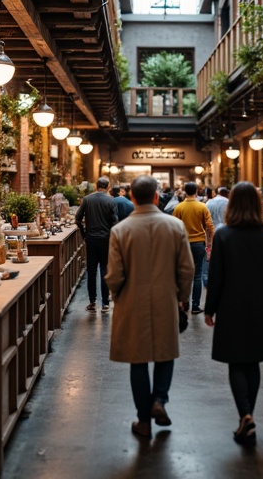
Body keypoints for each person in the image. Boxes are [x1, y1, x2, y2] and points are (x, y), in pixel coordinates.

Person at [107, 175, 194, 439]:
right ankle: (159, 400)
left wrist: (117, 295)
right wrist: (182, 297)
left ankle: (143, 420)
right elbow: (187, 269)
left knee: (138, 360)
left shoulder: (120, 231)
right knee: (165, 354)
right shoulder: (175, 226)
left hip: (132, 303)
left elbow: (114, 276)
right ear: (157, 196)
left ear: (132, 197)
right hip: (166, 299)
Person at [204, 182, 263, 446]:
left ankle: (245, 415)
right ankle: (248, 414)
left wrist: (210, 308)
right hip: (260, 304)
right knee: (254, 361)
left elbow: (216, 276)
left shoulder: (224, 235)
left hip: (231, 305)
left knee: (236, 361)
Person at [76, 175, 117, 312]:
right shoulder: (110, 201)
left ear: (96, 186)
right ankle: (105, 304)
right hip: (105, 239)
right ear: (108, 187)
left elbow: (77, 218)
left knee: (91, 271)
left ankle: (92, 301)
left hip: (91, 239)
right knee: (105, 270)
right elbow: (114, 222)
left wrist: (84, 234)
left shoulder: (87, 199)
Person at [172, 181, 214, 313]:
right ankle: (195, 306)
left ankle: (184, 303)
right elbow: (210, 227)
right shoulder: (202, 206)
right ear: (196, 191)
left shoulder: (179, 208)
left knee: (183, 274)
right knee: (197, 275)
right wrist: (209, 243)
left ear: (184, 191)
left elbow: (173, 227)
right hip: (198, 244)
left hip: (183, 243)